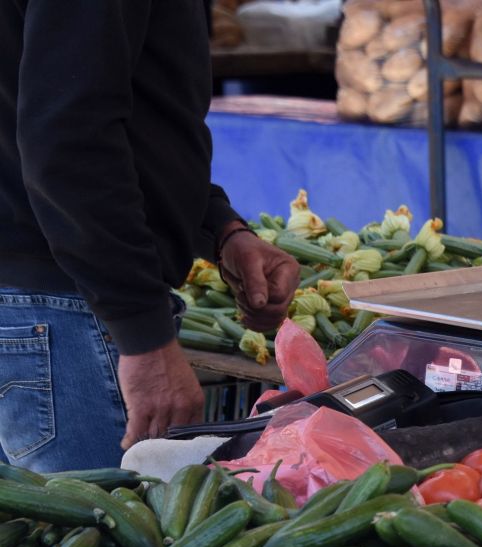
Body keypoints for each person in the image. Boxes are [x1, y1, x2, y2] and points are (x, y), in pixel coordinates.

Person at [0, 1, 299, 472]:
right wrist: (144, 336)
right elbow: (70, 139)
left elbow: (135, 114)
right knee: (102, 537)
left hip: (45, 301)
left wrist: (220, 227)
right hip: (63, 310)